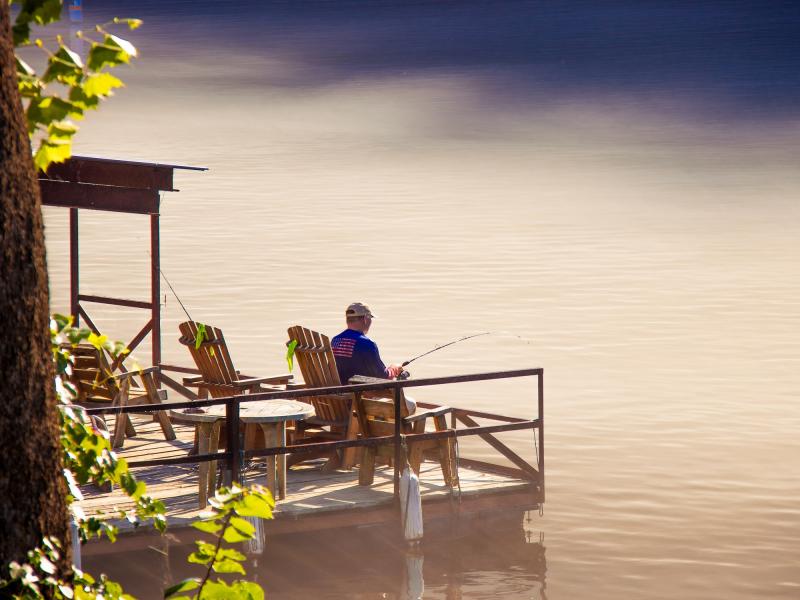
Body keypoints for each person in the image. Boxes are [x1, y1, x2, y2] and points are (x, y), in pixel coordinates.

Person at [331, 302, 416, 413]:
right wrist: (395, 368)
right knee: (411, 405)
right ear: (366, 319)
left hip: (338, 404)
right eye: (370, 318)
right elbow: (383, 377)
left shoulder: (335, 341)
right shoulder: (366, 343)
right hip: (361, 405)